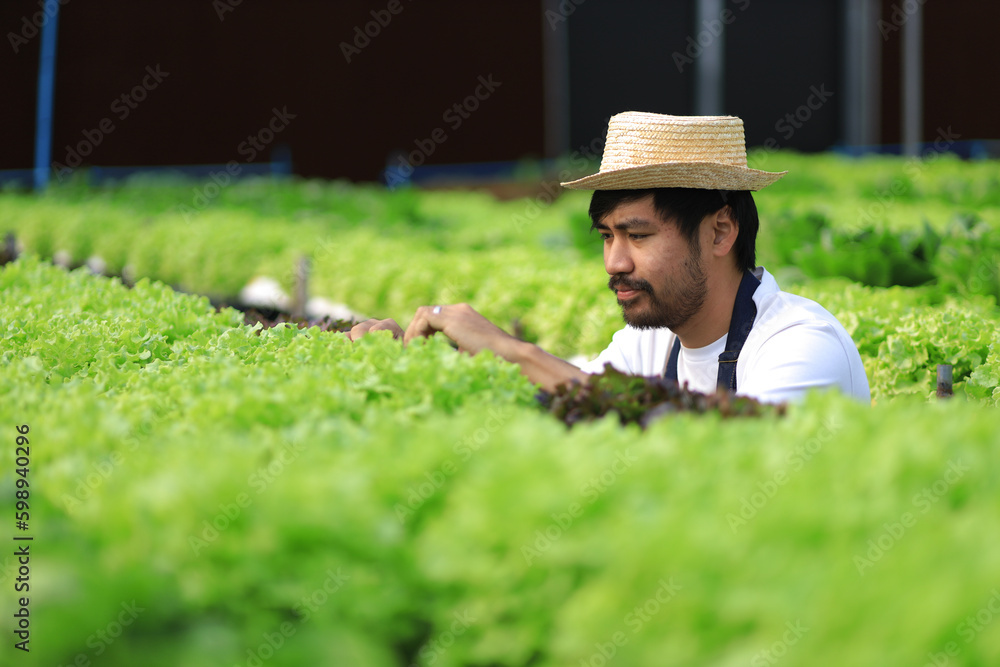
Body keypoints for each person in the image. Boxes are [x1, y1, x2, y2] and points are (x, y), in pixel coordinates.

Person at [349, 112, 871, 404]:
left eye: (637, 236)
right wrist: (424, 363)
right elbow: (575, 400)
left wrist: (515, 350)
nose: (614, 263)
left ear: (721, 231)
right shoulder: (651, 344)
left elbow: (731, 452)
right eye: (606, 236)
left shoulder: (800, 346)